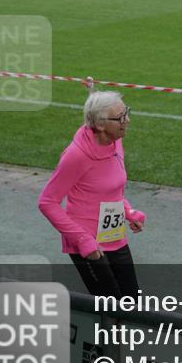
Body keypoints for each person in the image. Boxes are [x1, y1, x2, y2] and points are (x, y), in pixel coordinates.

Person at [38, 89, 145, 297]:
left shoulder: (116, 143)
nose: (128, 120)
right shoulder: (76, 156)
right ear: (100, 125)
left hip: (113, 236)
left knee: (131, 302)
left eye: (127, 113)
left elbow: (109, 191)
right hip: (87, 244)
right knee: (110, 309)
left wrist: (128, 211)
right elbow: (47, 202)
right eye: (121, 117)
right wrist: (82, 240)